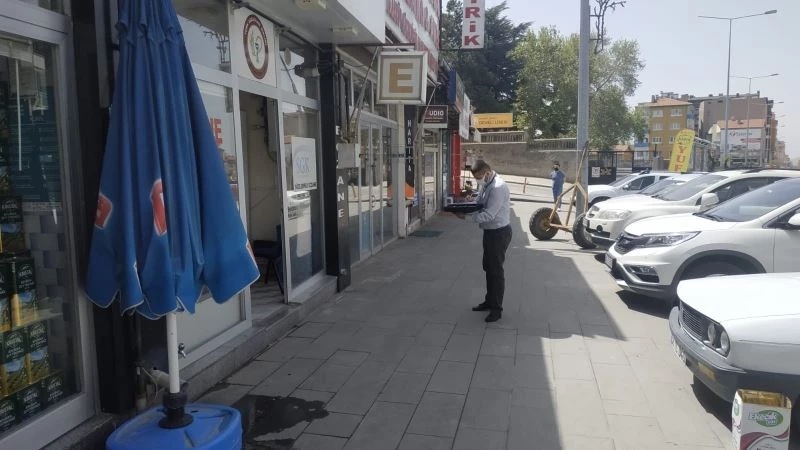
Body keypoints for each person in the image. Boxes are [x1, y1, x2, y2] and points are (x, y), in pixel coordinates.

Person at [455, 160, 512, 323]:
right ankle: (489, 301)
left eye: (479, 177)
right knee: (488, 267)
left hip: (499, 233)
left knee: (496, 271)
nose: (477, 180)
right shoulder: (487, 183)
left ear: (486, 172)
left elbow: (488, 214)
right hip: (490, 232)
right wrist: (466, 204)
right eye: (476, 178)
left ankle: (496, 309)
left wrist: (465, 217)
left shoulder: (498, 187)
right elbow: (479, 202)